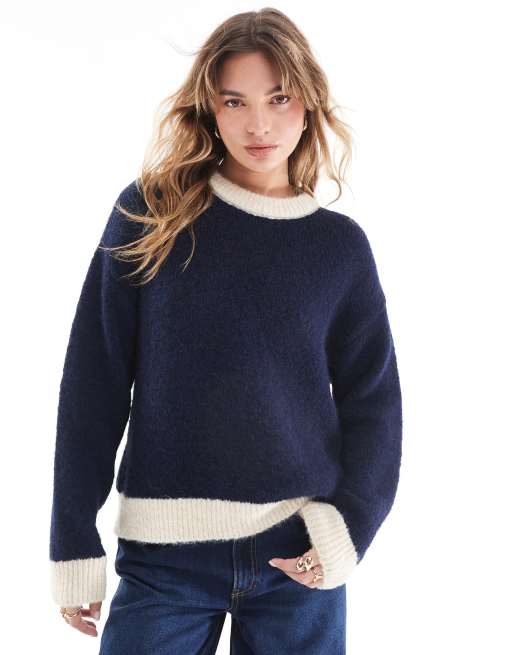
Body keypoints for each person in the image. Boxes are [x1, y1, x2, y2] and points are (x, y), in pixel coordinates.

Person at [49, 8, 403, 654]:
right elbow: (93, 382)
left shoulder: (338, 249)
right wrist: (72, 539)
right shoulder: (151, 214)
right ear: (210, 109)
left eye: (278, 98)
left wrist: (348, 529)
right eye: (234, 101)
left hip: (298, 558)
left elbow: (375, 407)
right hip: (164, 561)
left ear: (308, 102)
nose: (258, 125)